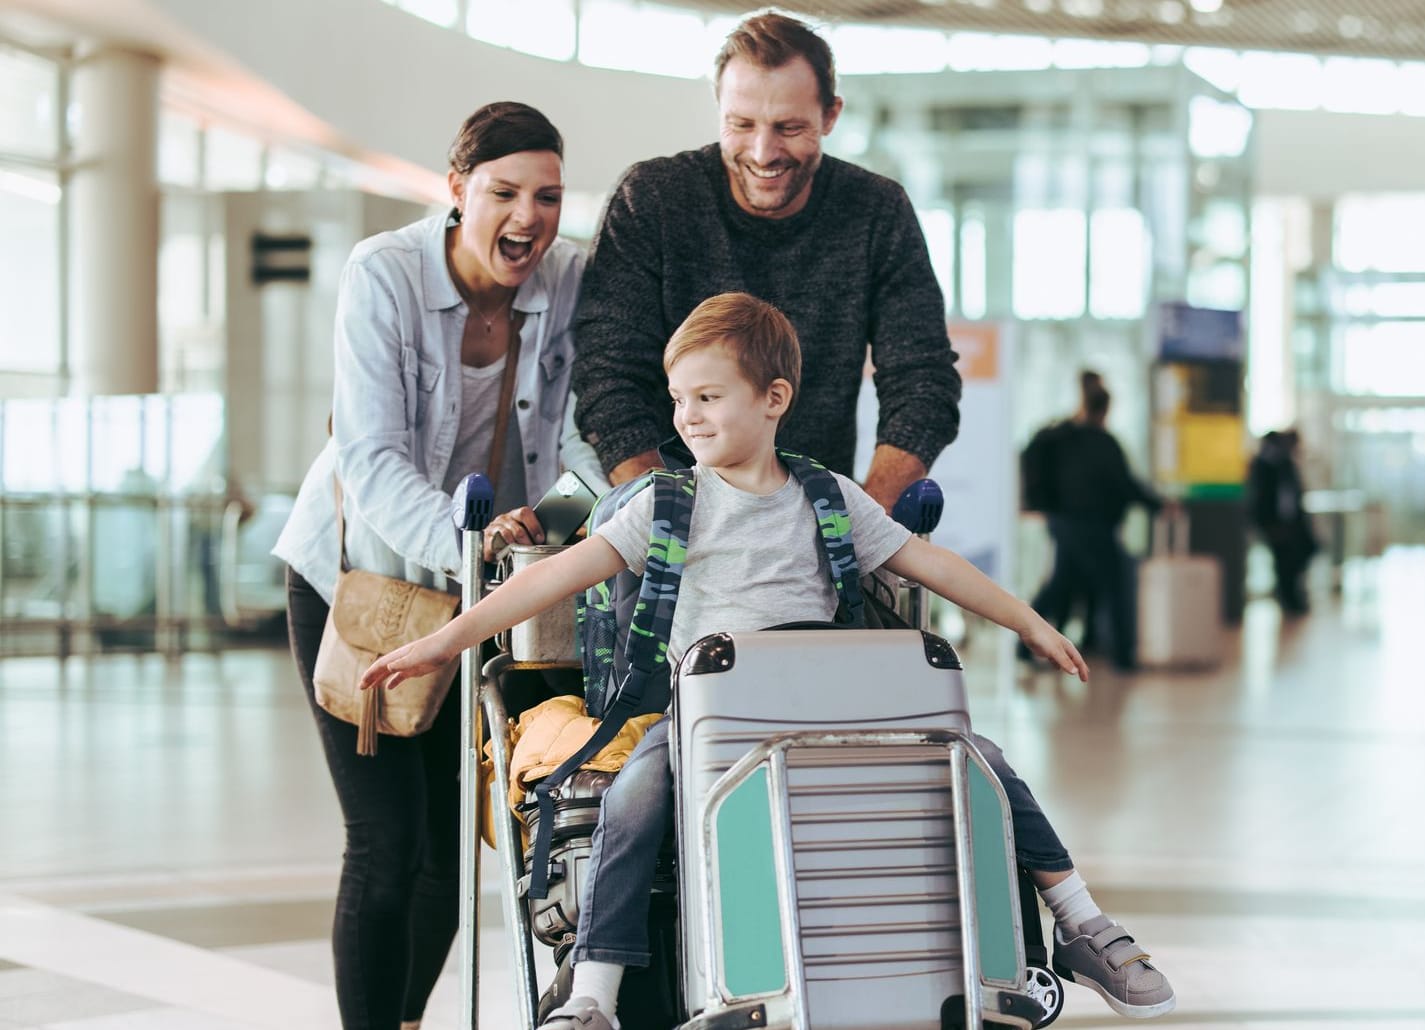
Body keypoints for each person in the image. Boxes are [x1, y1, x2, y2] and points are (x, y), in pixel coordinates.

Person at [363, 294, 1178, 1025]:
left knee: (985, 763)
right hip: (702, 721)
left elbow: (936, 568)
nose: (687, 417)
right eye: (679, 399)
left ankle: (1080, 922)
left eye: (708, 397)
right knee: (635, 794)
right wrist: (441, 640)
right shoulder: (665, 504)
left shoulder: (828, 498)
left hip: (831, 715)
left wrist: (1028, 622)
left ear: (774, 400)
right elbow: (550, 578)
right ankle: (594, 994)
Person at [271, 102, 606, 1030]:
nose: (529, 217)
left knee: (450, 863)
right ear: (456, 189)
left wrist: (560, 517)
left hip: (479, 594)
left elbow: (583, 437)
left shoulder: (571, 278)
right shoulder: (383, 274)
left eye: (547, 196)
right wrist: (473, 547)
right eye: (504, 193)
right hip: (358, 581)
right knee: (385, 846)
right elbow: (369, 457)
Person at [570, 11, 961, 512]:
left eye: (789, 127)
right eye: (742, 124)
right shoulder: (652, 199)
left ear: (830, 116)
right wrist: (673, 517)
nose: (763, 152)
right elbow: (607, 377)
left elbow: (923, 379)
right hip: (666, 525)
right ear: (719, 109)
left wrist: (864, 521)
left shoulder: (877, 212)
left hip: (819, 529)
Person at [1020, 371, 1162, 671]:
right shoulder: (1101, 443)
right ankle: (1124, 657)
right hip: (1094, 526)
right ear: (1105, 409)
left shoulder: (1059, 437)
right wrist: (1158, 504)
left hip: (1064, 523)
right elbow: (1126, 485)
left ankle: (1024, 644)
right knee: (1115, 585)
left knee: (1061, 584)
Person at [1247, 430, 1317, 615]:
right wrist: (1267, 524)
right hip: (1275, 524)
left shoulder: (1286, 464)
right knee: (1283, 563)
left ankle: (1293, 599)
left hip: (1291, 523)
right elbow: (1260, 498)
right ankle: (1289, 600)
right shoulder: (1265, 464)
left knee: (1296, 559)